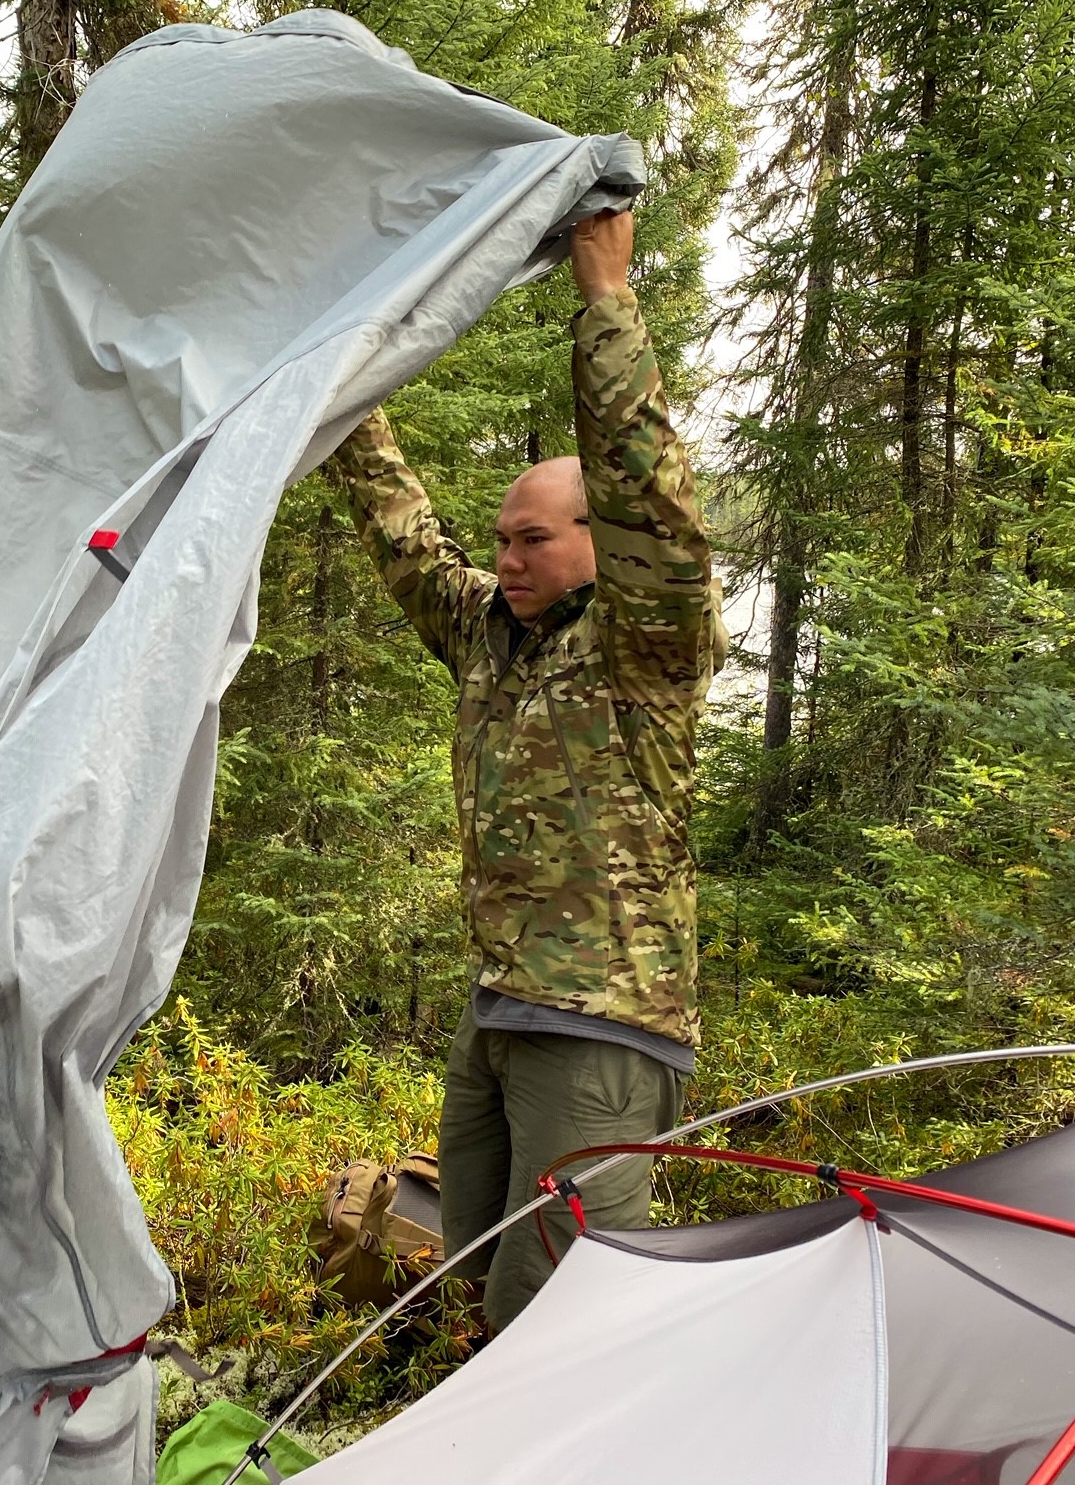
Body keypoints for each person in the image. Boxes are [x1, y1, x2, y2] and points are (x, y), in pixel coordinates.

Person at [327, 206, 726, 1331]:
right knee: (470, 1273)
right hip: (502, 1010)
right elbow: (402, 528)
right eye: (501, 539)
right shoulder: (492, 638)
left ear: (600, 541)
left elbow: (650, 494)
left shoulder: (646, 647)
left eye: (533, 539)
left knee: (555, 1315)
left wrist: (607, 296)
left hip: (604, 1025)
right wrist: (342, 376)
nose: (505, 558)